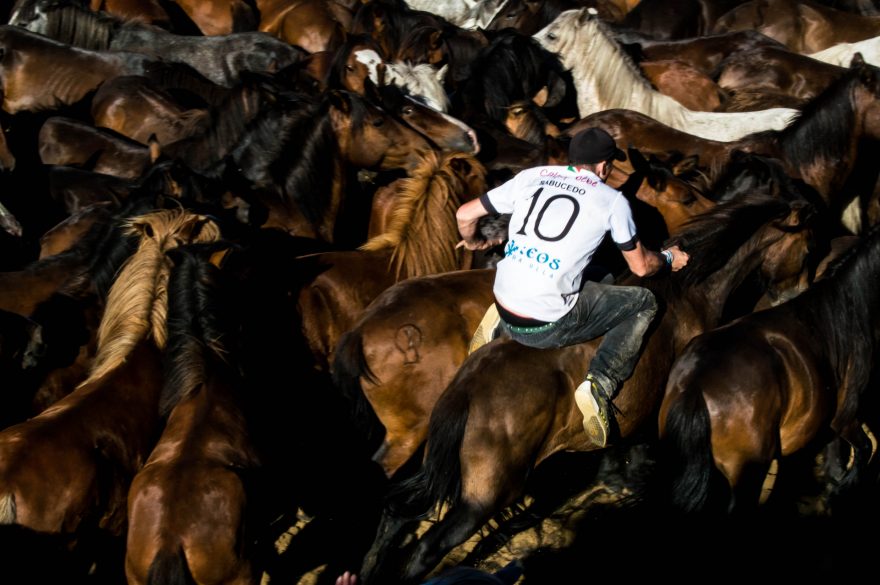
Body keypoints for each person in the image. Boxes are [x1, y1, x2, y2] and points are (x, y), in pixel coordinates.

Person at [455, 127, 689, 448]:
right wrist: (669, 257)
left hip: (504, 295)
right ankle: (600, 383)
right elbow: (641, 267)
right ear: (604, 166)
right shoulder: (612, 201)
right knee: (644, 302)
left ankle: (500, 317)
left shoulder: (532, 176)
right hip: (544, 324)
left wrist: (475, 241)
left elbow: (465, 214)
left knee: (603, 274)